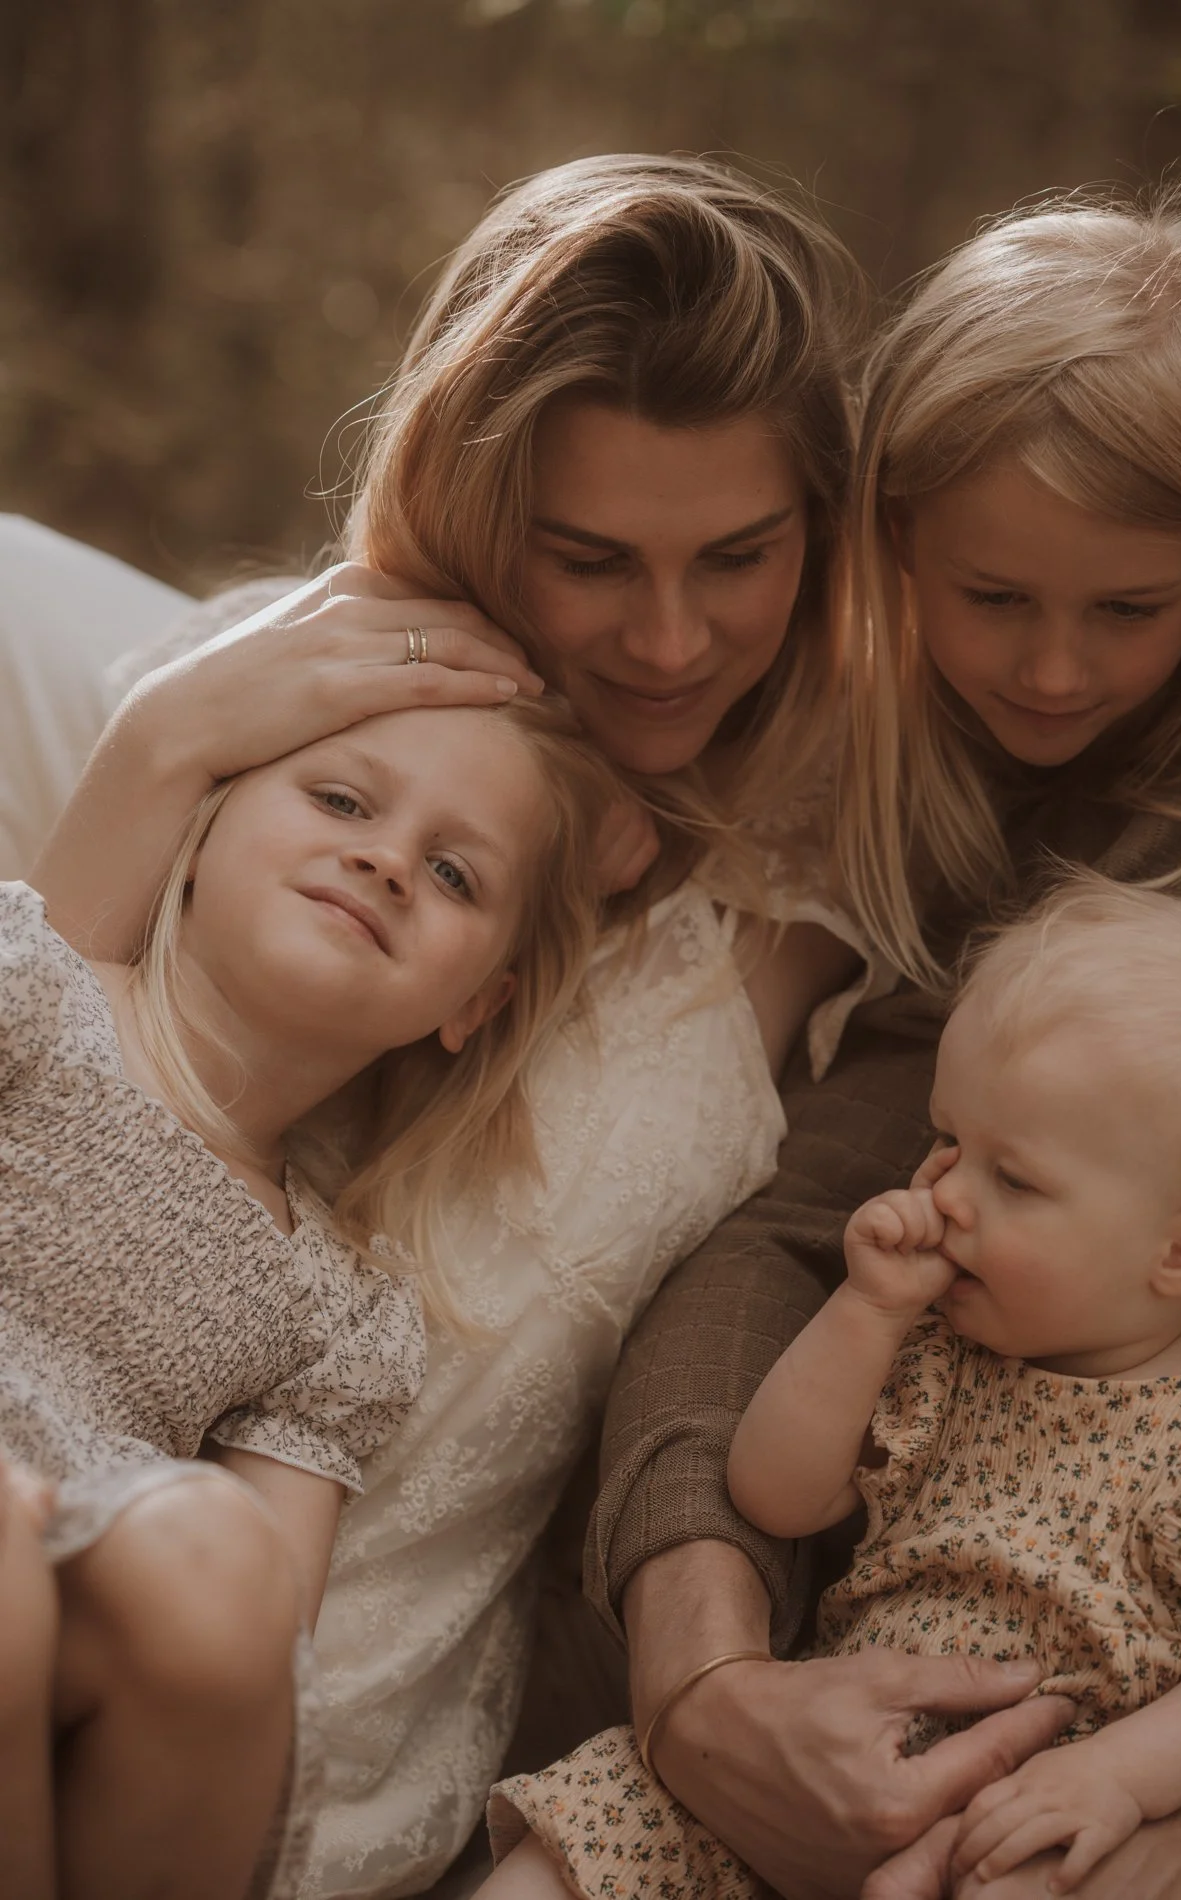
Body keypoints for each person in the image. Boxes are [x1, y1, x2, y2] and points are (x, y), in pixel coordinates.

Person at [25, 156, 1036, 1900]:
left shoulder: (846, 852)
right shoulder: (282, 727)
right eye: (587, 561)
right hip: (60, 1624)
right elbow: (53, 1082)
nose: (664, 639)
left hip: (354, 1772)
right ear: (484, 514)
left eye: (739, 557)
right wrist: (159, 752)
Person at [585, 193, 1181, 1900]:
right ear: (892, 548)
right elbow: (798, 1218)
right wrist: (701, 1672)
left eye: (1129, 608)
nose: (1048, 670)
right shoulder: (922, 807)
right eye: (989, 597)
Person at [487, 876, 1181, 1900]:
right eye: (946, 1139)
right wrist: (863, 1310)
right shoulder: (943, 1345)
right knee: (586, 1837)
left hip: (1034, 1818)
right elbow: (777, 1493)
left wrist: (1120, 1775)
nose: (942, 1193)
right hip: (822, 1750)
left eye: (1014, 1179)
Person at [0, 693, 623, 1900]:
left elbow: (253, 1664)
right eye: (340, 801)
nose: (384, 859)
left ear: (473, 1003)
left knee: (219, 1557)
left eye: (451, 873)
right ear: (204, 830)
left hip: (78, 1610)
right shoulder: (28, 984)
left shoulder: (342, 1311)